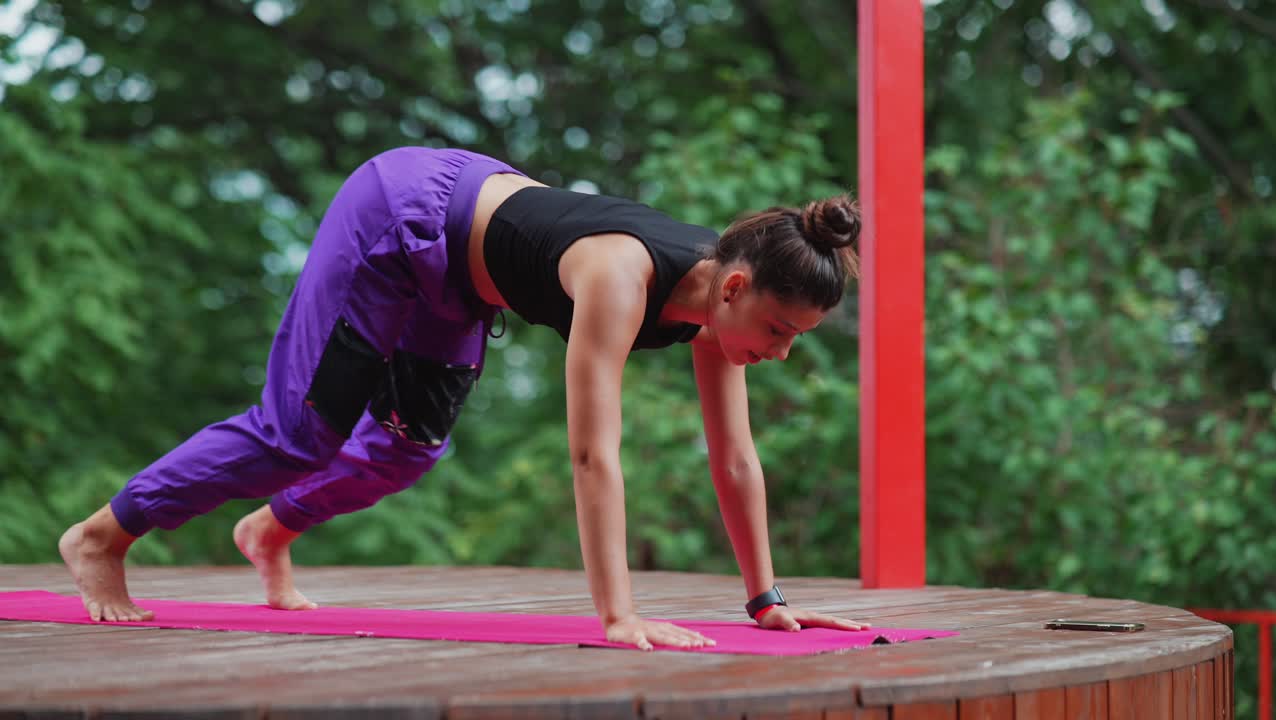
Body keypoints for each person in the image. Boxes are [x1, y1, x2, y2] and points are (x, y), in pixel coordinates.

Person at [59, 147, 869, 651]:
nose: (779, 352)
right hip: (405, 212)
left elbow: (734, 457)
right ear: (734, 287)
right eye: (777, 329)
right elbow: (592, 454)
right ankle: (105, 534)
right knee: (298, 432)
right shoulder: (622, 277)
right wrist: (618, 616)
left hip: (463, 273)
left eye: (795, 338)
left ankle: (270, 528)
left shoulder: (715, 315)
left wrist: (767, 601)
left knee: (411, 446)